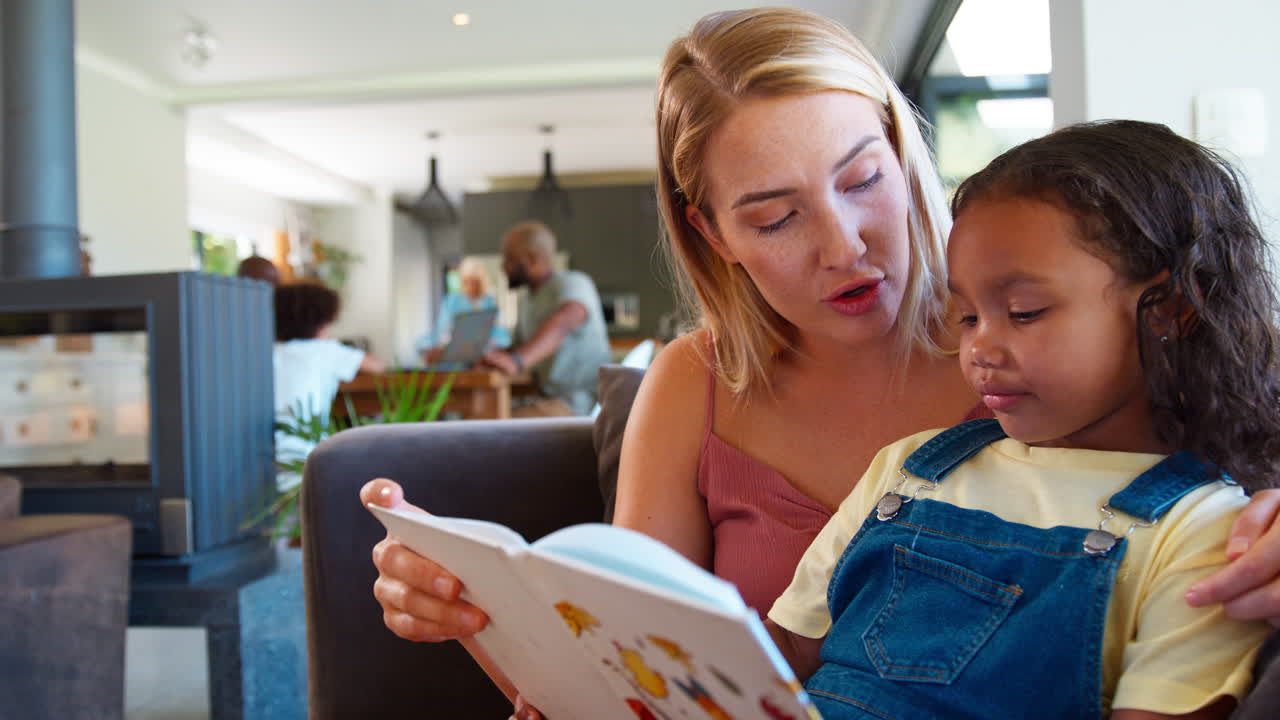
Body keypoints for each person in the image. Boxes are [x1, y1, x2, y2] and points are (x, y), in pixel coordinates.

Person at [360, 9, 1280, 718]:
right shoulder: (696, 382)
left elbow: (1232, 425)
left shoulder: (1085, 350)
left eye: (862, 179)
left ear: (901, 146)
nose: (845, 245)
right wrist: (479, 615)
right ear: (709, 231)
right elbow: (627, 668)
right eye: (774, 215)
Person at [766, 120, 1278, 719]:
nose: (980, 348)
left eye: (1023, 312)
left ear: (1171, 309)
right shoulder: (910, 468)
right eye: (966, 317)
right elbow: (781, 654)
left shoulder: (1203, 531)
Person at [479, 220, 610, 417]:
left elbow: (567, 318)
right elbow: (519, 347)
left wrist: (517, 360)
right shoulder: (526, 301)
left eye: (510, 259)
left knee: (485, 427)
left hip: (580, 404)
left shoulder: (573, 282)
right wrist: (492, 357)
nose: (503, 266)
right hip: (545, 398)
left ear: (531, 259)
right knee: (481, 415)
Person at [273, 282, 385, 489]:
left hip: (266, 456)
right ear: (322, 322)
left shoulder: (271, 351)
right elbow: (378, 366)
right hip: (308, 455)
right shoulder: (327, 351)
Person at [417, 257, 511, 361]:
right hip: (454, 354)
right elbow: (441, 331)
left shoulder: (490, 302)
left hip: (483, 356)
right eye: (466, 281)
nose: (470, 286)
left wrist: (490, 344)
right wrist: (443, 343)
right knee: (422, 344)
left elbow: (504, 338)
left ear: (481, 280)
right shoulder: (452, 301)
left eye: (474, 281)